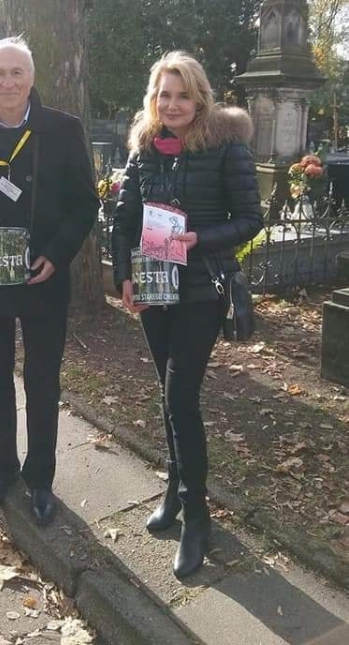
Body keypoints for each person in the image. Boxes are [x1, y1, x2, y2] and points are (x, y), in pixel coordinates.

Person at [0, 36, 99, 525]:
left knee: (43, 381)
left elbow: (85, 203)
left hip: (42, 278)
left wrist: (57, 254)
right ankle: (2, 468)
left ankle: (41, 478)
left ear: (31, 77)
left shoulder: (63, 130)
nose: (8, 82)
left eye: (17, 72)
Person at [112, 51, 263, 579]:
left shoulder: (226, 147)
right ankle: (176, 491)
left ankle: (197, 515)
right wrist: (123, 276)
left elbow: (251, 219)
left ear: (200, 99)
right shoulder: (144, 149)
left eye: (182, 95)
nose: (172, 104)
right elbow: (124, 218)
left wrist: (200, 239)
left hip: (201, 290)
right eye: (164, 95)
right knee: (168, 393)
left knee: (180, 396)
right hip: (154, 287)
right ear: (153, 99)